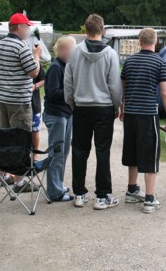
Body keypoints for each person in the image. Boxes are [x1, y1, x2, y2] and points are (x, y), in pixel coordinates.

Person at [64, 14, 122, 210]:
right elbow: (114, 84)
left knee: (80, 151)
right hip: (103, 107)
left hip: (81, 107)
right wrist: (116, 105)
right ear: (102, 29)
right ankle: (102, 196)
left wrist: (71, 102)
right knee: (102, 151)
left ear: (85, 30)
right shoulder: (110, 54)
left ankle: (79, 194)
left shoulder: (74, 52)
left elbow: (68, 81)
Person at [120, 28, 166, 214]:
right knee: (150, 154)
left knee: (133, 151)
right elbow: (165, 93)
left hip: (131, 114)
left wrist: (122, 107)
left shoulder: (129, 62)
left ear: (139, 42)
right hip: (147, 114)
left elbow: (123, 88)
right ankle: (149, 198)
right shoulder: (160, 62)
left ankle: (132, 189)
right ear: (155, 41)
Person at [0, 13, 41, 131]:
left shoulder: (0, 44)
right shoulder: (21, 47)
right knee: (20, 137)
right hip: (19, 100)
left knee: (6, 136)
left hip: (3, 98)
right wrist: (36, 56)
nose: (28, 30)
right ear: (19, 27)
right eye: (27, 27)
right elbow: (33, 73)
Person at [44, 36, 77, 203]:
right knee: (57, 153)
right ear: (62, 50)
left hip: (65, 114)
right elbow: (51, 93)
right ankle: (54, 191)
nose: (74, 53)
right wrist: (71, 92)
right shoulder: (56, 68)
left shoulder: (66, 66)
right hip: (56, 115)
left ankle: (58, 184)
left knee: (63, 152)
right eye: (72, 49)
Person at [30, 66, 46, 152]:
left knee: (35, 131)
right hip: (18, 104)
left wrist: (35, 86)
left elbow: (44, 79)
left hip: (34, 104)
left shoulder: (35, 62)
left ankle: (35, 154)